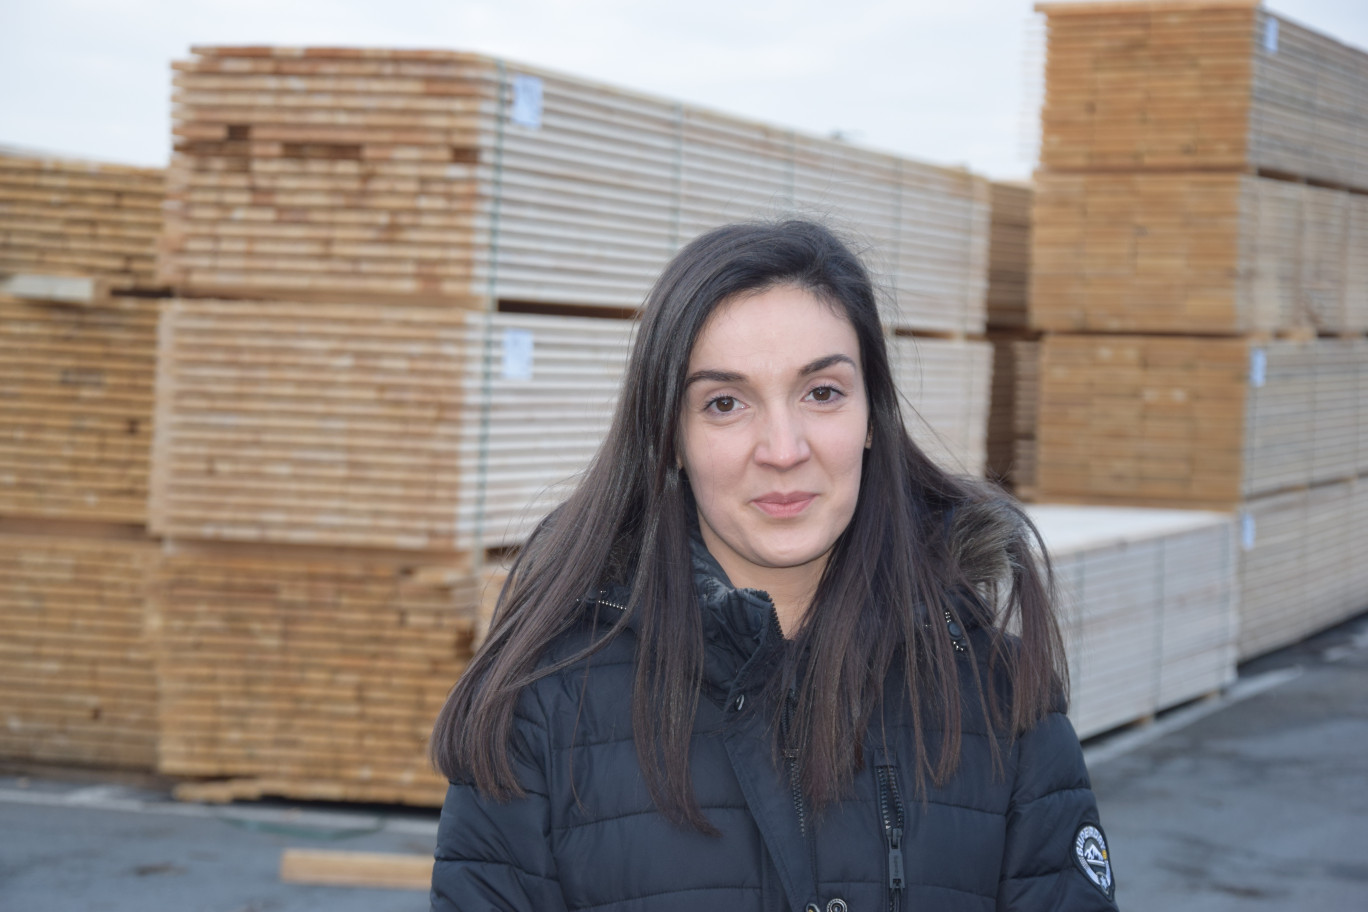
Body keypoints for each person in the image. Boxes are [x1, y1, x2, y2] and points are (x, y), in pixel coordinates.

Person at [429, 219, 1119, 911]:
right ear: (671, 435)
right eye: (725, 404)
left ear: (872, 415)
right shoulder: (543, 707)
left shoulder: (1002, 695)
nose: (783, 448)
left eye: (821, 392)